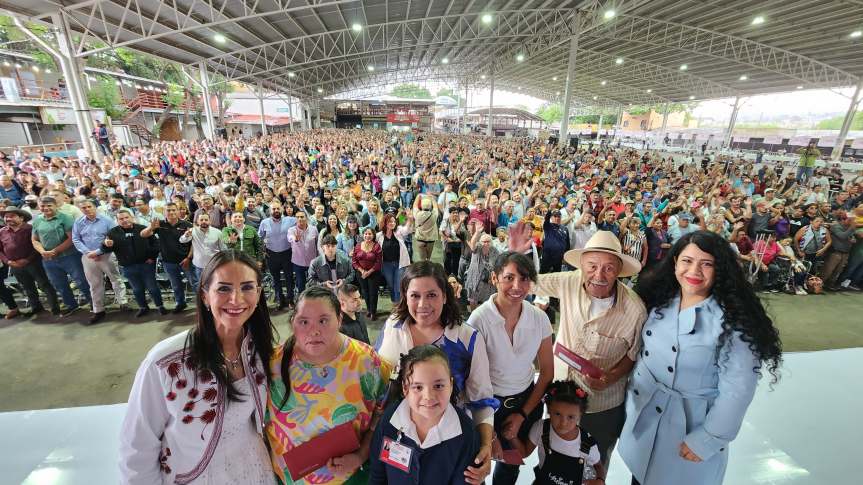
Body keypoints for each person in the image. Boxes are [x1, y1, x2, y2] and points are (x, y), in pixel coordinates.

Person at [619, 230, 783, 485]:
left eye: (706, 264)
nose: (694, 271)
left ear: (720, 270)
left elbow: (738, 390)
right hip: (645, 417)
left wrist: (709, 438)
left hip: (688, 429)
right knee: (639, 476)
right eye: (687, 261)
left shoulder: (733, 321)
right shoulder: (659, 300)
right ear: (675, 263)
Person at [119, 250, 276, 484]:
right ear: (204, 296)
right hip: (193, 475)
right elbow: (137, 445)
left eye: (247, 287)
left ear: (259, 293)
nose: (236, 299)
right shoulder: (165, 362)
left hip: (254, 469)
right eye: (223, 288)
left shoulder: (262, 349)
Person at [508, 223, 645, 470]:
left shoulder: (634, 310)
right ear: (581, 266)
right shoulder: (569, 282)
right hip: (560, 397)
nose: (599, 275)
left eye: (608, 268)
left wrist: (610, 377)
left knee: (594, 465)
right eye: (592, 266)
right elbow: (531, 283)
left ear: (619, 271)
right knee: (553, 460)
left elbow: (634, 354)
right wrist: (517, 255)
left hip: (602, 404)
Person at [376, 261, 497, 485]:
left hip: (450, 440)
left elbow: (481, 399)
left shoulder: (467, 338)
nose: (423, 304)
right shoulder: (392, 327)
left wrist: (485, 446)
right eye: (415, 295)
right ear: (404, 295)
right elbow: (376, 381)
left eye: (432, 295)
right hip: (398, 434)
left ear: (445, 295)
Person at [265, 286, 392, 484]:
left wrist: (361, 455)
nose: (314, 331)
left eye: (323, 321)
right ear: (292, 323)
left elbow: (383, 415)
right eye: (304, 321)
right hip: (290, 479)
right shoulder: (271, 364)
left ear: (340, 320)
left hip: (350, 477)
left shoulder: (366, 361)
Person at [467, 252, 554, 485]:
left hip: (526, 401)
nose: (517, 286)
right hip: (486, 404)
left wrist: (522, 414)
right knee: (478, 466)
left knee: (510, 467)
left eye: (524, 279)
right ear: (495, 279)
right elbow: (473, 380)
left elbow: (546, 373)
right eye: (509, 278)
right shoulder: (478, 320)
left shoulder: (539, 319)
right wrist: (490, 433)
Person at [369, 345, 480, 485]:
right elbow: (377, 474)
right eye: (418, 387)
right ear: (405, 388)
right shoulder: (390, 420)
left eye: (438, 386)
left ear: (451, 385)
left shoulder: (466, 433)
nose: (428, 396)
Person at [512, 380, 605, 485]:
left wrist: (600, 480)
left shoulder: (588, 444)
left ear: (580, 415)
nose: (563, 423)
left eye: (571, 417)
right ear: (548, 409)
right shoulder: (541, 428)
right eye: (557, 414)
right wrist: (512, 437)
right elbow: (524, 452)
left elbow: (598, 465)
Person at [31, 196, 92, 317]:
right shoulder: (37, 220)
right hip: (48, 259)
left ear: (56, 206)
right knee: (59, 284)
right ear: (39, 207)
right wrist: (42, 251)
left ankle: (94, 304)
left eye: (49, 205)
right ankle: (71, 306)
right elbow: (34, 240)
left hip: (70, 256)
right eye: (43, 206)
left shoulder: (66, 218)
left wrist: (55, 250)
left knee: (81, 281)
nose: (46, 208)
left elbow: (72, 239)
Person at [72, 199, 129, 324]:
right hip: (88, 256)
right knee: (94, 284)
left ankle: (123, 303)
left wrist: (98, 252)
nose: (87, 209)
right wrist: (88, 253)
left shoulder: (107, 220)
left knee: (115, 279)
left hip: (106, 255)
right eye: (84, 208)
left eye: (89, 206)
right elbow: (76, 239)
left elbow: (114, 238)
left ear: (95, 207)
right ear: (81, 209)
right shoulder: (78, 222)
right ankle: (98, 310)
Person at [103, 209, 168, 317]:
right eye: (121, 219)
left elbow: (156, 243)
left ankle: (160, 306)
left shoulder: (142, 228)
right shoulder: (112, 233)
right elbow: (106, 249)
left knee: (152, 287)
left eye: (126, 217)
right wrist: (106, 244)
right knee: (137, 289)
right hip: (128, 266)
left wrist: (152, 257)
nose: (124, 220)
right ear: (117, 220)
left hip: (146, 264)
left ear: (132, 217)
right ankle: (143, 307)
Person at [0, 207, 60, 315]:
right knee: (27, 287)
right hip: (14, 265)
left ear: (21, 218)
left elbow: (36, 246)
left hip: (34, 263)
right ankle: (36, 307)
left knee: (44, 285)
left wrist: (27, 260)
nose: (8, 218)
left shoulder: (30, 229)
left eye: (12, 216)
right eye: (6, 216)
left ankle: (55, 308)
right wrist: (8, 262)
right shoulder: (2, 232)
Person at [140, 203, 194, 313]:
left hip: (186, 260)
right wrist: (151, 227)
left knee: (194, 283)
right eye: (168, 210)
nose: (171, 212)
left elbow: (194, 244)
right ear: (164, 212)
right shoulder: (159, 224)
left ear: (178, 211)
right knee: (176, 285)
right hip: (168, 261)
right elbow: (143, 235)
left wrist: (188, 258)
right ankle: (180, 303)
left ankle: (202, 305)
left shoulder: (187, 224)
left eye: (174, 210)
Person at [258, 201, 296, 310]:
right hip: (271, 255)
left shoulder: (291, 220)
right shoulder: (264, 222)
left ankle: (290, 300)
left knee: (289, 278)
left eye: (278, 208)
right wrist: (263, 251)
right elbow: (259, 238)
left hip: (287, 254)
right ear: (270, 211)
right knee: (276, 279)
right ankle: (280, 300)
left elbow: (304, 223)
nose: (276, 211)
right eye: (273, 209)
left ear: (282, 209)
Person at [179, 212, 224, 291]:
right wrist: (186, 235)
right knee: (201, 287)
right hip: (199, 266)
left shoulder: (218, 232)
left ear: (210, 221)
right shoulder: (192, 231)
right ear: (198, 221)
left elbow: (223, 249)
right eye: (201, 220)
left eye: (206, 220)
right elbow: (182, 240)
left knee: (215, 285)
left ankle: (213, 302)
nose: (204, 221)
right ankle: (203, 302)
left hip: (214, 265)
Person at [377, 212, 412, 304]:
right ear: (385, 223)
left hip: (399, 263)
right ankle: (394, 302)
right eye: (390, 222)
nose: (392, 223)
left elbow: (407, 229)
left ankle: (399, 305)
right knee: (391, 285)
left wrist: (409, 219)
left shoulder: (399, 231)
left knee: (398, 285)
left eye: (394, 221)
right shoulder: (379, 235)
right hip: (386, 265)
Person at [287, 211, 319, 297]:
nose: (300, 219)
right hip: (298, 262)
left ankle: (313, 300)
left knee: (313, 283)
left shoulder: (314, 229)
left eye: (302, 217)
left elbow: (317, 244)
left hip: (312, 261)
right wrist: (295, 239)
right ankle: (302, 301)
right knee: (301, 284)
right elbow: (290, 238)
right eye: (297, 217)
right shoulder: (292, 230)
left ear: (306, 218)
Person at [353, 227, 382, 319]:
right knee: (365, 291)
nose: (367, 236)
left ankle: (373, 311)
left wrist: (369, 272)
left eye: (370, 234)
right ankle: (368, 309)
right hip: (360, 273)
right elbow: (354, 261)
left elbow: (378, 262)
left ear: (373, 235)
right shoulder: (357, 246)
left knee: (373, 292)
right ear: (363, 235)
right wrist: (362, 271)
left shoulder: (377, 246)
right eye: (366, 234)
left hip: (373, 272)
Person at [465, 229, 498, 308]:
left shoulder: (495, 251)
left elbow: (498, 264)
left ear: (491, 242)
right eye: (484, 241)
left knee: (487, 300)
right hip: (475, 278)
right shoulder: (477, 248)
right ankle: (473, 315)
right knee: (473, 299)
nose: (486, 243)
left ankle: (484, 316)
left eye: (488, 241)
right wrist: (477, 232)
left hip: (488, 280)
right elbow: (472, 244)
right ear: (480, 242)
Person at [412, 195, 439, 261]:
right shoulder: (434, 215)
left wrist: (418, 197)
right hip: (430, 240)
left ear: (421, 205)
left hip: (420, 239)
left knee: (422, 260)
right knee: (428, 259)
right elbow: (436, 207)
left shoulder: (417, 214)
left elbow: (414, 206)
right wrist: (432, 199)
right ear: (430, 206)